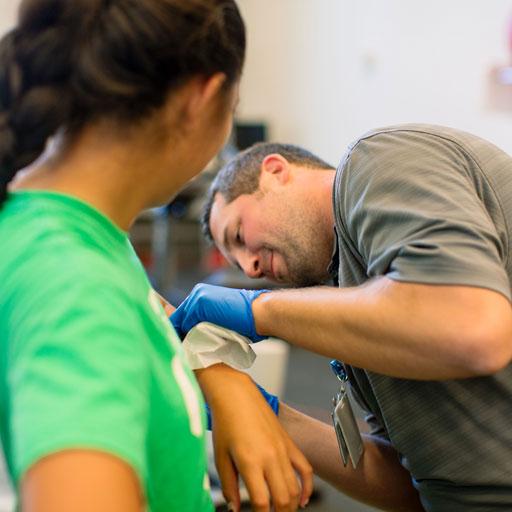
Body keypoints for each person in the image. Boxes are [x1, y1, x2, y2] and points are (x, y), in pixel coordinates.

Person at [0, 1, 313, 511]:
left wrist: (224, 379)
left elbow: (143, 314)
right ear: (200, 98)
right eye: (229, 108)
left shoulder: (79, 233)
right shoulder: (74, 286)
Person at [171, 124, 512, 511]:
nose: (249, 269)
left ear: (276, 171)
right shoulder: (355, 300)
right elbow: (408, 485)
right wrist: (268, 414)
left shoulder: (378, 160)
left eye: (237, 234)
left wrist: (259, 308)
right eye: (236, 263)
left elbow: (472, 328)